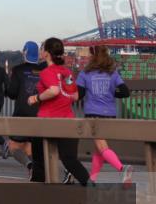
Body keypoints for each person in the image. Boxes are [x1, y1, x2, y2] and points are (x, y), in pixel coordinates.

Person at [27, 37, 90, 186]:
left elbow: (54, 90)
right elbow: (74, 96)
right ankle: (92, 187)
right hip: (68, 120)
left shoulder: (47, 72)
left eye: (42, 48)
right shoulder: (67, 73)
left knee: (39, 160)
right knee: (70, 160)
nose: (40, 51)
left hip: (47, 121)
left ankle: (37, 195)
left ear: (47, 53)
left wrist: (35, 98)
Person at [77, 45, 133, 186]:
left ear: (93, 56)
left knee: (102, 147)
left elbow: (80, 94)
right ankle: (93, 179)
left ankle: (122, 168)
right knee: (99, 148)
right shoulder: (113, 73)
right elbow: (126, 92)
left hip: (93, 115)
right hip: (110, 115)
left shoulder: (85, 73)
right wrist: (112, 93)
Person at [5, 41, 42, 180]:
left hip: (22, 114)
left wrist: (7, 87)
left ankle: (30, 166)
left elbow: (12, 93)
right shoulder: (42, 70)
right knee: (29, 147)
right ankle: (36, 170)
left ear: (25, 52)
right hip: (39, 114)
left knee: (13, 147)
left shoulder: (18, 70)